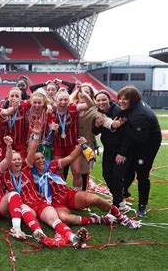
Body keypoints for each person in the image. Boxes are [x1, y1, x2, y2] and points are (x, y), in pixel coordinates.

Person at [29, 136, 141, 229]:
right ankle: (97, 220)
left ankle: (121, 217)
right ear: (32, 162)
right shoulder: (30, 174)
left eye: (42, 158)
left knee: (96, 199)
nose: (41, 160)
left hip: (67, 195)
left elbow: (70, 157)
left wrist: (80, 145)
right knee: (65, 218)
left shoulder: (52, 165)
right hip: (55, 204)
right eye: (37, 159)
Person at [118, 86, 162, 217]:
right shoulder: (135, 106)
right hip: (139, 143)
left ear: (133, 99)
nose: (121, 101)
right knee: (128, 169)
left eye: (124, 99)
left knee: (142, 175)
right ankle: (124, 191)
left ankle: (142, 205)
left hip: (147, 147)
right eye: (120, 98)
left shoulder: (139, 115)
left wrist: (123, 126)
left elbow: (139, 139)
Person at [92, 90, 129, 210]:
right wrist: (97, 126)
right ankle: (118, 198)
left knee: (117, 176)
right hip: (108, 148)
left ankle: (119, 203)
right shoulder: (98, 112)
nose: (101, 102)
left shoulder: (119, 111)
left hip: (120, 150)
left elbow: (127, 135)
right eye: (98, 100)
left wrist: (122, 153)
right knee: (106, 174)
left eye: (103, 99)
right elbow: (95, 131)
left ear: (109, 100)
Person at [50, 89, 94, 189]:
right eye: (60, 100)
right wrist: (53, 130)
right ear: (56, 101)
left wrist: (84, 94)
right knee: (59, 171)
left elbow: (90, 105)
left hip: (73, 145)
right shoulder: (51, 111)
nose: (63, 102)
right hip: (58, 146)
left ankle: (76, 195)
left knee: (77, 171)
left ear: (69, 101)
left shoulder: (73, 108)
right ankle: (62, 194)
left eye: (65, 99)